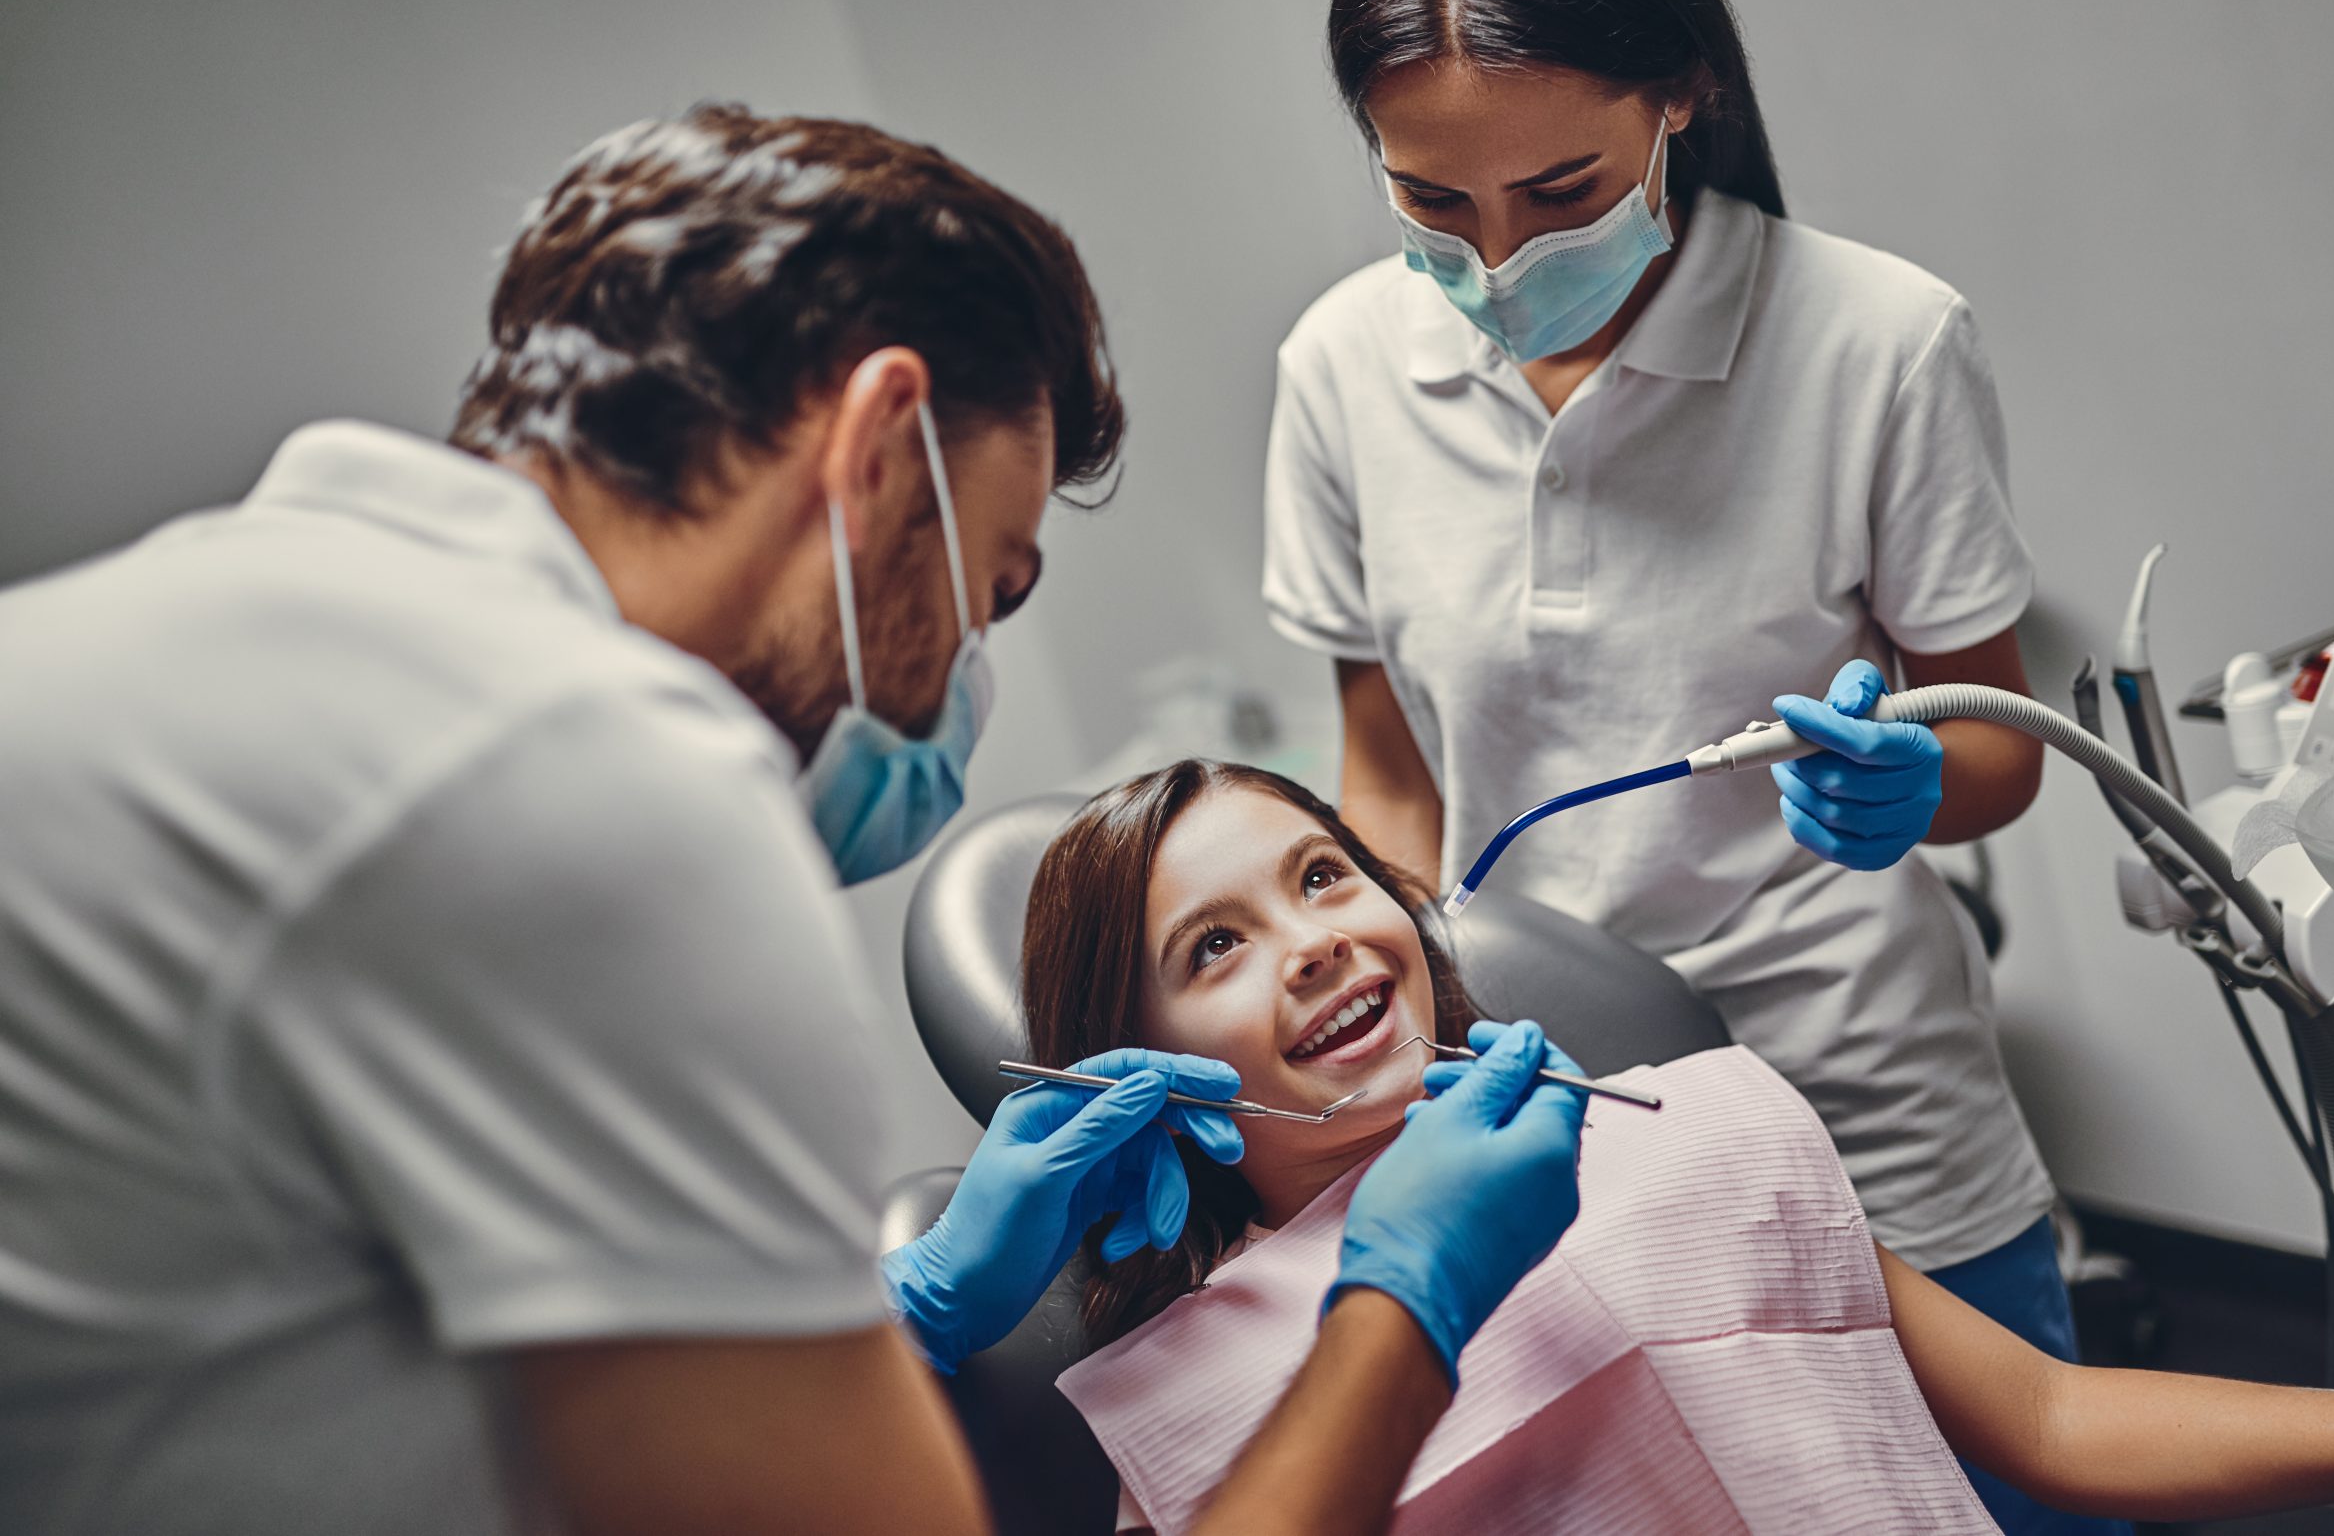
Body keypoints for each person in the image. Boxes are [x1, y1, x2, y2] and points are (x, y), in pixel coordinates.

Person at [0, 105, 1582, 1536]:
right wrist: (1404, 1306)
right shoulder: (582, 775)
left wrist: (912, 1309)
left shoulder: (248, 628)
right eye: (986, 589)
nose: (959, 678)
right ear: (884, 448)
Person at [1262, 0, 2083, 1527]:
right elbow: (1385, 769)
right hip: (1548, 1127)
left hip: (1864, 1106)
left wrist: (1910, 786)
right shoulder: (1341, 368)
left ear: (1681, 92)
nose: (1495, 261)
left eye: (1559, 193)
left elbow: (1995, 742)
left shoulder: (1877, 340)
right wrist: (1381, 1028)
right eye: (1433, 199)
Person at [1020, 760, 2334, 1536]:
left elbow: (2046, 1409)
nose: (1310, 940)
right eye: (1216, 942)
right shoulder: (1193, 1399)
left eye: (1324, 874)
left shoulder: (1699, 1128)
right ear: (1127, 1070)